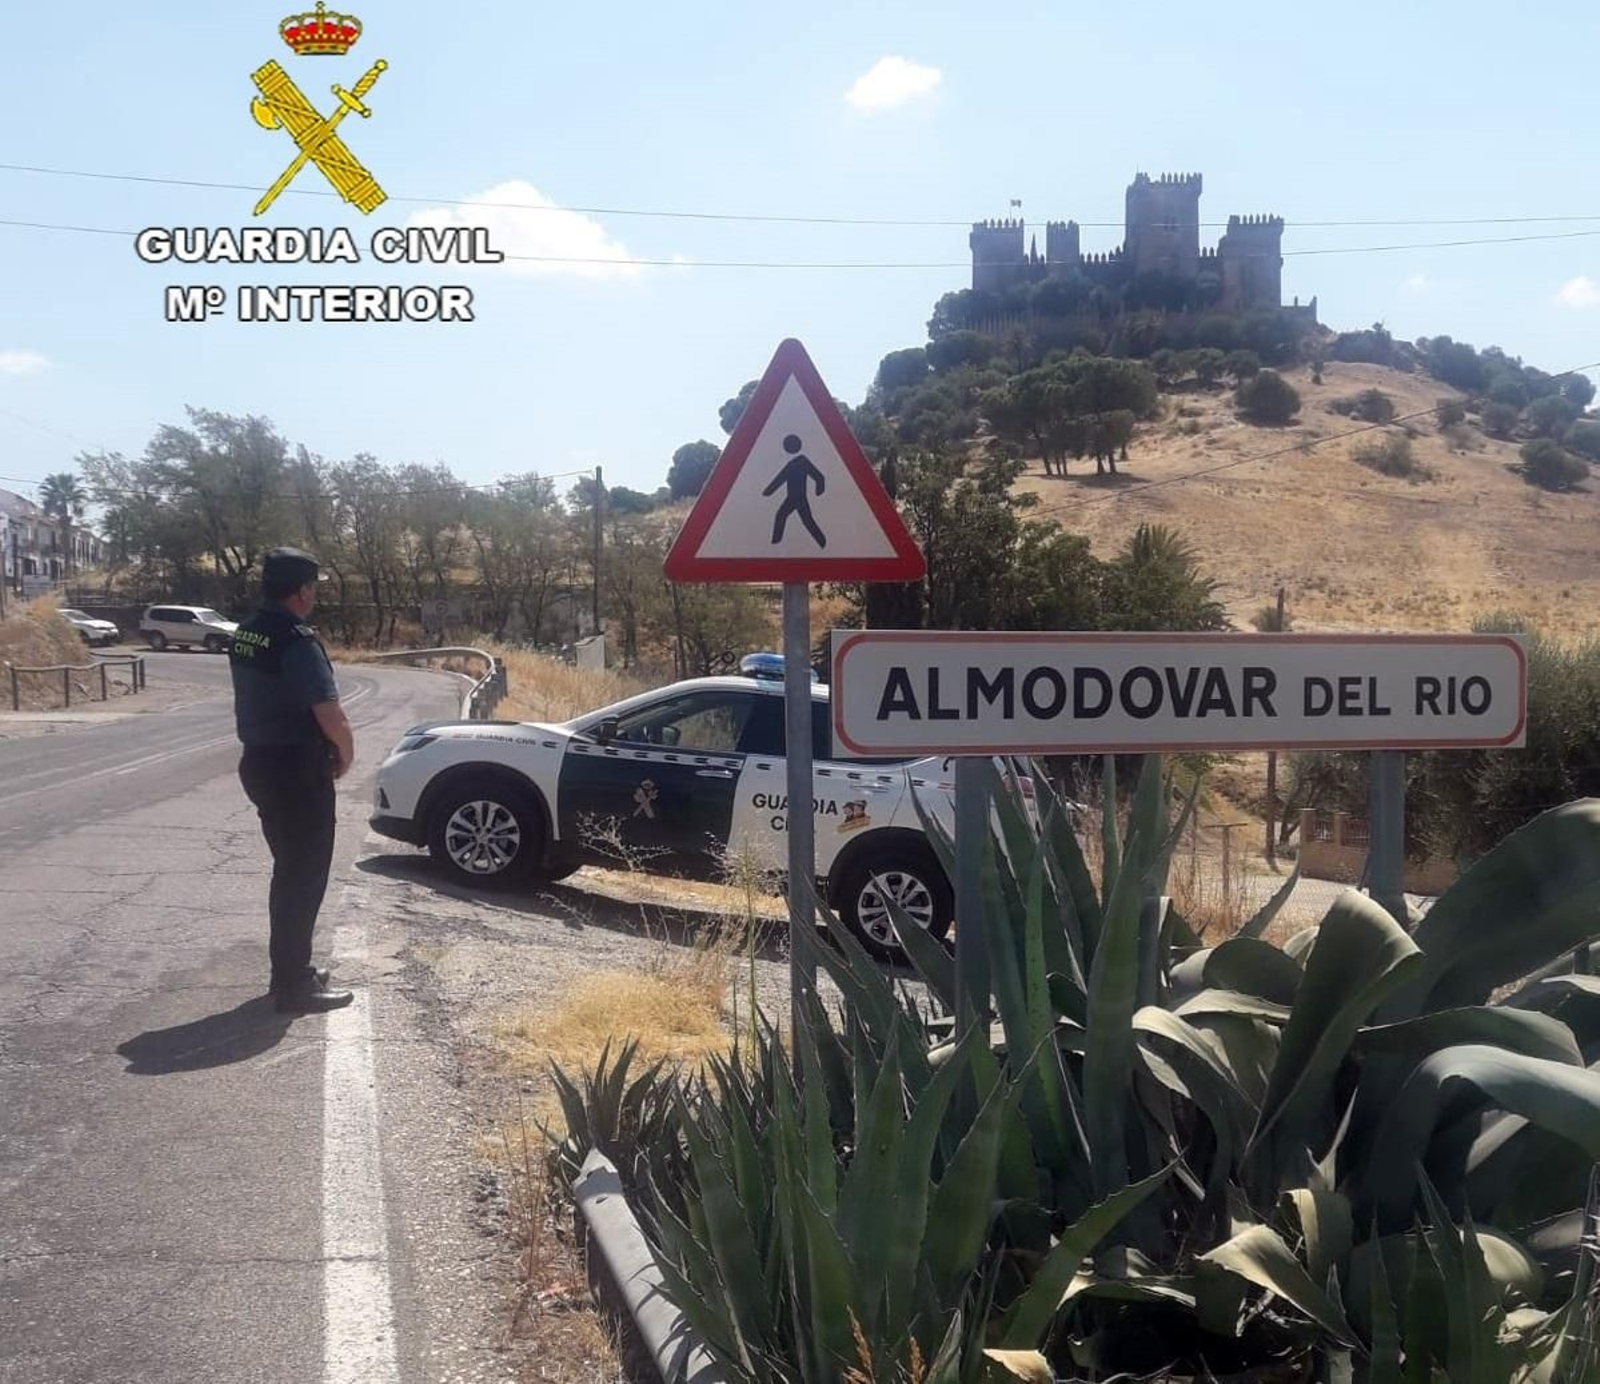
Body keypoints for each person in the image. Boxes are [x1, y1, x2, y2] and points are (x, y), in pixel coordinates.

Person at [229, 547, 355, 1013]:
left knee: (290, 873)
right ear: (303, 590)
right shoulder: (296, 638)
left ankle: (290, 970)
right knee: (303, 878)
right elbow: (329, 713)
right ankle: (292, 985)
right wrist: (346, 750)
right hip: (297, 770)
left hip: (260, 763)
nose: (315, 594)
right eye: (314, 587)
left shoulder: (247, 631)